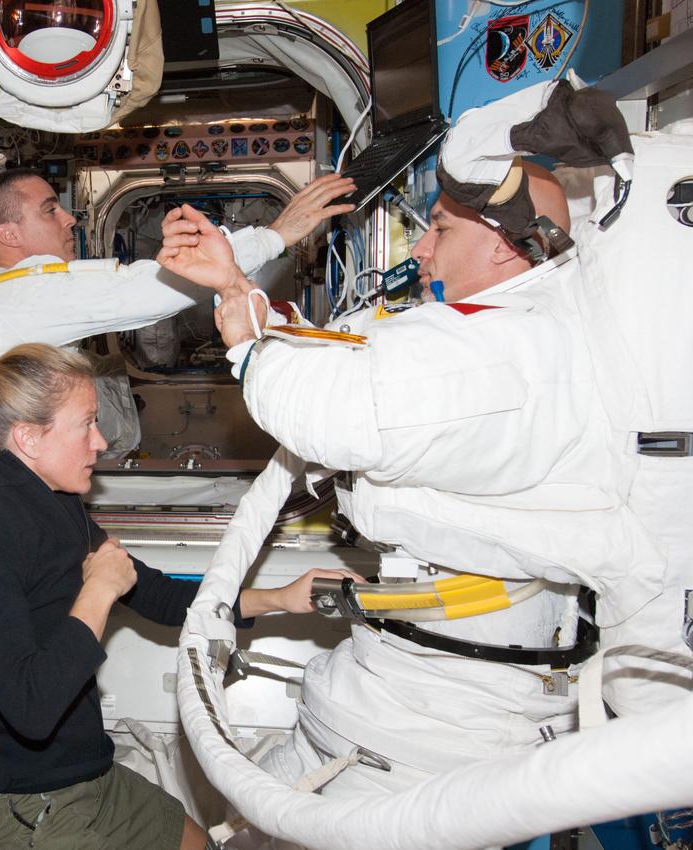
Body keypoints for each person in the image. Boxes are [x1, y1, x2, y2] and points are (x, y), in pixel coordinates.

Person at [0, 167, 357, 848]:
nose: (103, 443)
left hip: (87, 780)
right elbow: (33, 706)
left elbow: (148, 592)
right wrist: (277, 232)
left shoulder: (46, 503)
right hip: (33, 812)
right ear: (30, 436)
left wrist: (279, 599)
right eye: (86, 425)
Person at [157, 159, 663, 809]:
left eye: (442, 232)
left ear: (510, 249)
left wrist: (248, 342)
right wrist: (238, 292)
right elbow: (358, 357)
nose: (420, 247)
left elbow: (334, 411)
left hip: (420, 743)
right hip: (397, 697)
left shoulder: (511, 353)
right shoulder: (517, 333)